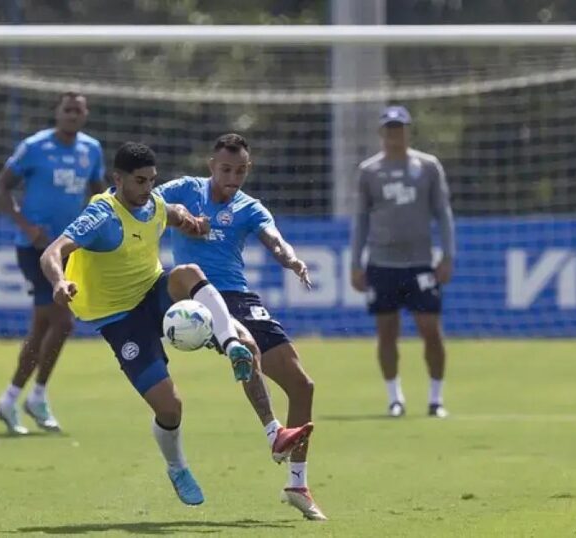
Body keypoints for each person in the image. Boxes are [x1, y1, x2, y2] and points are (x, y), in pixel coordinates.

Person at [40, 142, 312, 506]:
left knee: (190, 276)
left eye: (152, 181)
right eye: (139, 181)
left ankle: (235, 351)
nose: (146, 189)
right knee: (169, 408)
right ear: (118, 180)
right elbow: (52, 252)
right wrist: (59, 282)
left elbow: (173, 213)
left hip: (153, 291)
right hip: (119, 317)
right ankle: (177, 466)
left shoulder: (152, 203)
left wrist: (193, 222)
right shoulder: (102, 215)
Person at [155, 133, 326, 520]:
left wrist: (292, 260)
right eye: (225, 169)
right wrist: (180, 217)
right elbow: (148, 203)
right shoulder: (185, 189)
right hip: (197, 297)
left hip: (242, 299)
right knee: (244, 346)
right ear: (211, 166)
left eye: (239, 171)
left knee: (303, 385)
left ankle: (297, 483)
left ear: (247, 170)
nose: (231, 177)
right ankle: (273, 431)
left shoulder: (250, 208)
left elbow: (275, 241)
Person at [0, 91, 107, 434]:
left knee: (44, 326)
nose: (72, 115)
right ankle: (34, 396)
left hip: (67, 249)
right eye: (67, 109)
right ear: (57, 112)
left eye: (78, 111)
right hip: (36, 248)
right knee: (63, 321)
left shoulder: (91, 149)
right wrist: (27, 226)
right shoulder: (35, 147)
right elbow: (0, 188)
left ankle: (12, 399)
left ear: (84, 115)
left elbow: (99, 192)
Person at [350, 105, 456, 419]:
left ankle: (435, 398)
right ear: (382, 133)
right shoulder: (369, 171)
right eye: (390, 128)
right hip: (382, 263)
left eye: (400, 128)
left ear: (408, 131)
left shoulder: (428, 167)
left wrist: (448, 255)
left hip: (422, 262)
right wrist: (356, 262)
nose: (395, 134)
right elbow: (360, 220)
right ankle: (394, 398)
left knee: (430, 329)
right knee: (386, 331)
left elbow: (443, 213)